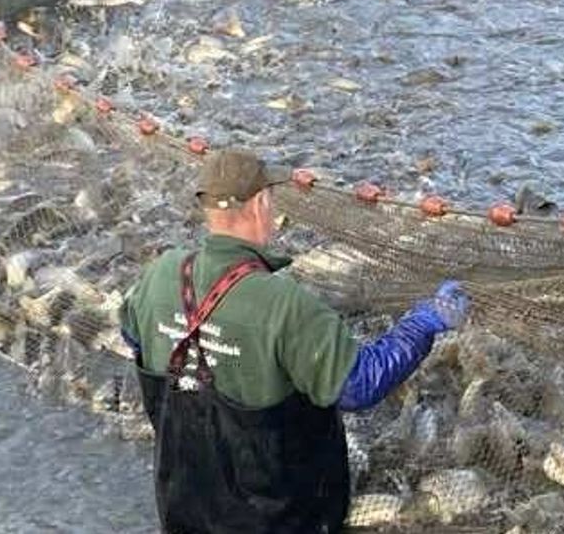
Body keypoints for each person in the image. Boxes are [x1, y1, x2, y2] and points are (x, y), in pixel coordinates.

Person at [121, 149, 470, 534]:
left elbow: (131, 332)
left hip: (184, 508)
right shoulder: (284, 303)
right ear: (260, 204)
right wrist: (421, 323)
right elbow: (360, 385)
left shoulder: (161, 272)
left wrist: (206, 347)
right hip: (279, 518)